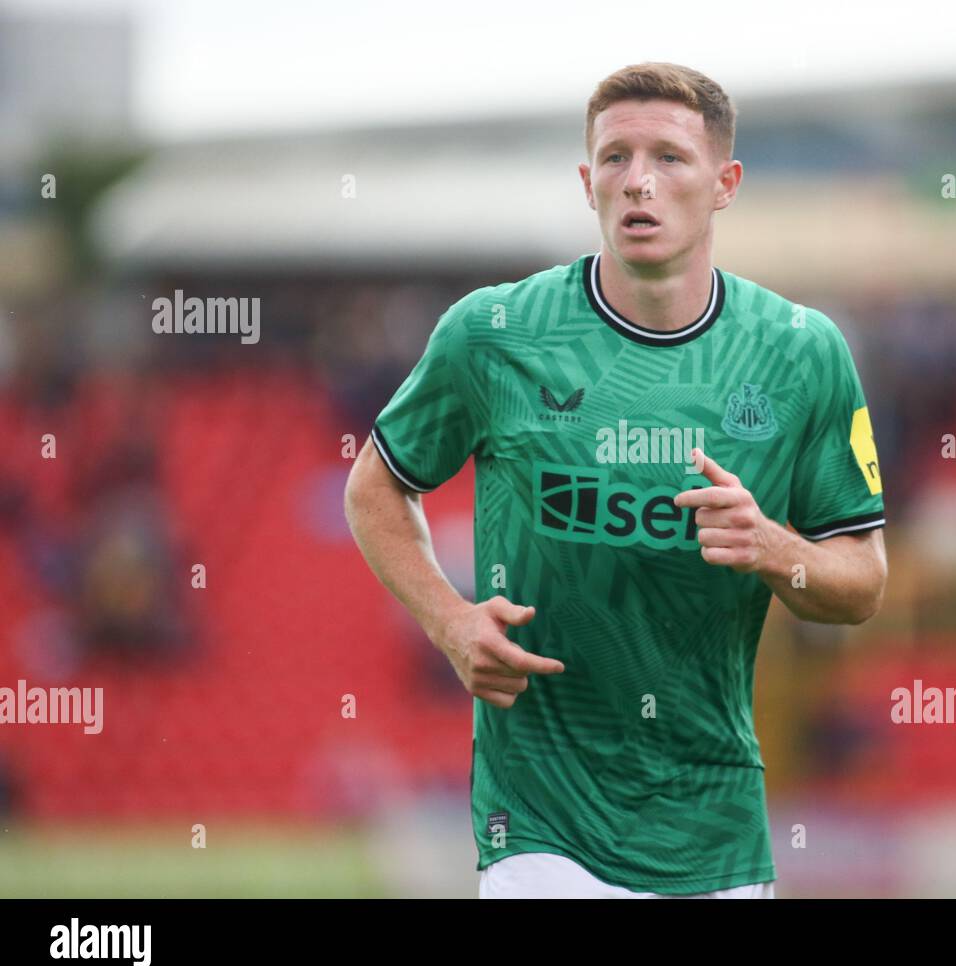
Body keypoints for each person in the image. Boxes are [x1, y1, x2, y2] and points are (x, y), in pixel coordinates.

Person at [344, 62, 888, 899]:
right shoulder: (492, 335)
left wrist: (776, 548)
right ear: (586, 181)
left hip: (716, 828)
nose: (639, 181)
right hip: (538, 825)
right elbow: (375, 487)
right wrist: (451, 622)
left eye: (669, 158)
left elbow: (860, 582)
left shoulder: (802, 353)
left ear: (724, 184)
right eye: (614, 158)